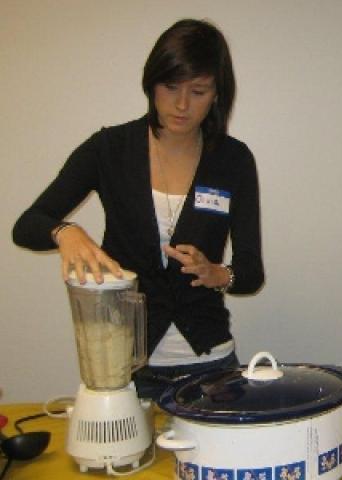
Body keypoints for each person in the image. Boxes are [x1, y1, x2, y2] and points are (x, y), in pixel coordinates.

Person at [12, 19, 264, 400]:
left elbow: (251, 272)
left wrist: (217, 273)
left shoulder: (233, 160)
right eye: (170, 87)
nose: (181, 105)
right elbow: (27, 225)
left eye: (198, 91)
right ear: (151, 83)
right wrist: (67, 232)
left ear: (216, 94)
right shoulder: (109, 149)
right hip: (126, 368)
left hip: (211, 367)